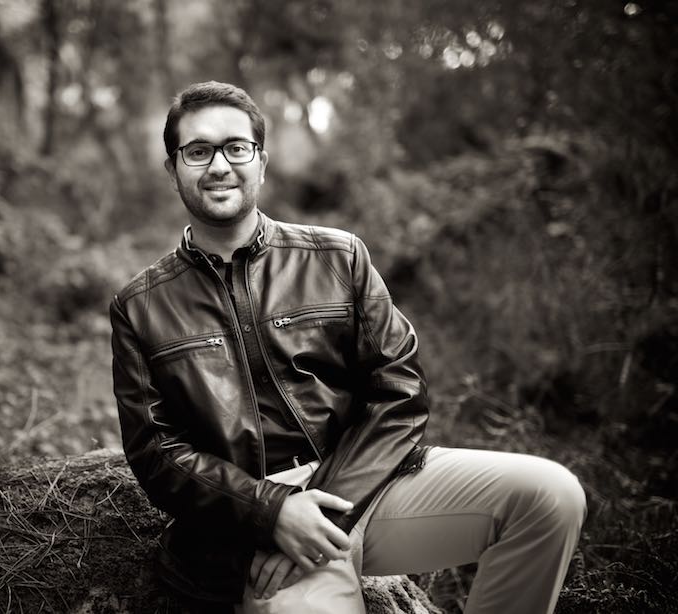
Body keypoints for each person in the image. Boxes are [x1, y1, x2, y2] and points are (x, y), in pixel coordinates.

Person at [110, 81, 586, 614]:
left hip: (366, 486)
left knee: (550, 497)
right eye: (197, 152)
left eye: (235, 147)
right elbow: (158, 454)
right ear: (173, 169)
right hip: (247, 525)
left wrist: (330, 508)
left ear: (261, 162)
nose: (218, 165)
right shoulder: (140, 305)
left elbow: (400, 390)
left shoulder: (338, 258)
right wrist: (275, 512)